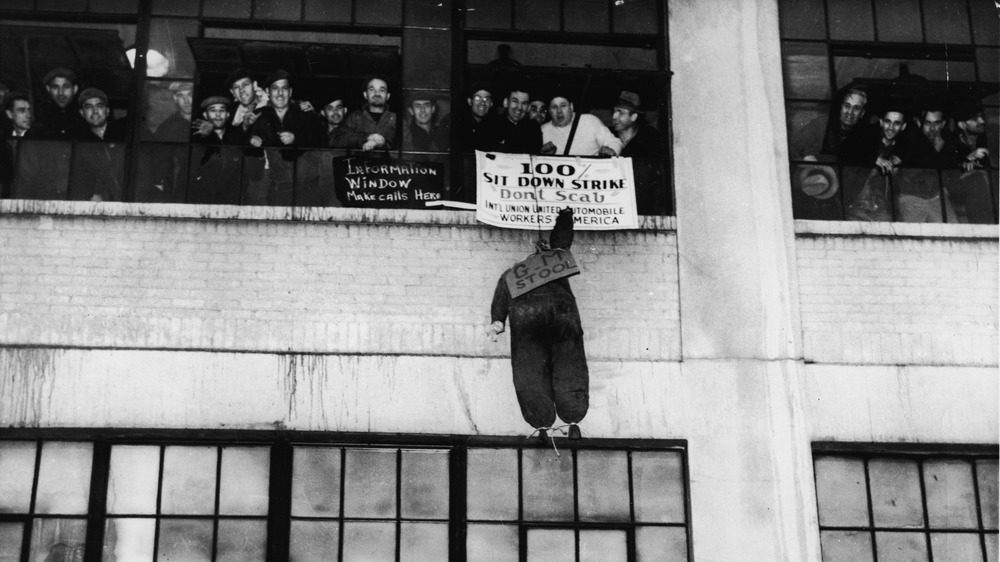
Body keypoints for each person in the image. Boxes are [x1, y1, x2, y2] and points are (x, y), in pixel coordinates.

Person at [488, 207, 588, 441]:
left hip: (526, 321)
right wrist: (565, 216)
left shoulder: (511, 274)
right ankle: (573, 419)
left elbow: (499, 307)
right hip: (562, 318)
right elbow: (562, 238)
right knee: (569, 364)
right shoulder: (555, 260)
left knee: (529, 370)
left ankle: (541, 424)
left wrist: (496, 324)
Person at [247, 69, 324, 205]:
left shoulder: (305, 112)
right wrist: (254, 145)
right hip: (278, 188)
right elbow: (253, 167)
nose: (280, 93)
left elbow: (322, 140)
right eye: (275, 88)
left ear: (291, 92)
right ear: (267, 92)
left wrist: (296, 139)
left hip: (308, 187)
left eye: (284, 88)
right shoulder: (258, 116)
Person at [842, 103, 914, 221]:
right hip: (857, 206)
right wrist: (875, 159)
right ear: (881, 122)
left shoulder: (902, 149)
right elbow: (846, 152)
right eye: (887, 121)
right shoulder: (866, 139)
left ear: (903, 126)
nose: (890, 127)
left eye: (897, 123)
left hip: (882, 209)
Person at [900, 106, 959, 222]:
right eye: (927, 123)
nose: (932, 128)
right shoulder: (909, 139)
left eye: (937, 123)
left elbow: (952, 171)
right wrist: (935, 150)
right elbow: (911, 175)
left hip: (936, 197)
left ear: (942, 124)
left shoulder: (947, 142)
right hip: (910, 197)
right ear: (918, 122)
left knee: (954, 232)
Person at [71, 87, 126, 201]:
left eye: (99, 106)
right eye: (89, 107)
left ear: (107, 111)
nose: (95, 111)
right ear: (82, 113)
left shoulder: (124, 133)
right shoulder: (80, 145)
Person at [189, 96, 245, 205]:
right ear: (205, 115)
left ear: (228, 115)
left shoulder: (236, 136)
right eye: (213, 110)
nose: (218, 115)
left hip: (231, 201)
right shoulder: (196, 137)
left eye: (222, 110)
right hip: (204, 200)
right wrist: (207, 136)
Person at [540, 93, 622, 157]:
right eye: (554, 107)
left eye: (563, 106)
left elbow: (614, 142)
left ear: (571, 107)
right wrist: (543, 155)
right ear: (550, 111)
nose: (559, 111)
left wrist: (612, 151)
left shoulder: (590, 121)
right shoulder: (543, 130)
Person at [340, 76, 397, 151]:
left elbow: (407, 146)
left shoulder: (396, 119)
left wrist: (383, 143)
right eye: (372, 90)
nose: (377, 93)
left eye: (382, 90)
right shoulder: (354, 118)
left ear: (388, 96)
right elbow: (338, 140)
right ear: (365, 95)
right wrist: (367, 137)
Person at [33, 67, 86, 139]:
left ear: (75, 89)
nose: (60, 92)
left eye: (66, 87)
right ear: (48, 89)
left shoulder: (84, 115)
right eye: (55, 87)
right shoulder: (40, 115)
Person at [492, 85, 541, 154]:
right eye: (515, 101)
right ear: (506, 102)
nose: (519, 107)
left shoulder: (534, 128)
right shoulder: (492, 126)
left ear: (528, 107)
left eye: (524, 103)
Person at [611, 90, 661, 157]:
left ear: (633, 117)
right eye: (614, 111)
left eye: (621, 113)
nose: (614, 116)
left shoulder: (650, 137)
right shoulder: (608, 135)